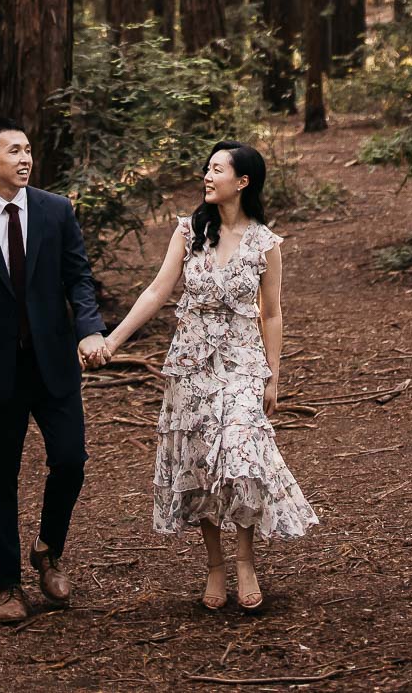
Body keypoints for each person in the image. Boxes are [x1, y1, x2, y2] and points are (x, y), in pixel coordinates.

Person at [93, 141, 318, 612]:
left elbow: (271, 313)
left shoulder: (265, 243)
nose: (207, 176)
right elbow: (157, 291)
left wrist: (272, 376)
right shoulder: (189, 231)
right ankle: (215, 563)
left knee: (241, 457)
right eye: (207, 168)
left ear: (243, 181)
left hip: (240, 365)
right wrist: (113, 341)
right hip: (191, 366)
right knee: (199, 465)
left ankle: (245, 559)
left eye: (218, 169)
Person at [0, 121, 109, 625]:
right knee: (0, 479)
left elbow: (78, 276)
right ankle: (8, 584)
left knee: (71, 460)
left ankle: (48, 550)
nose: (26, 158)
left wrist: (89, 329)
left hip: (53, 364)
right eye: (14, 150)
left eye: (29, 150)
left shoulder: (56, 211)